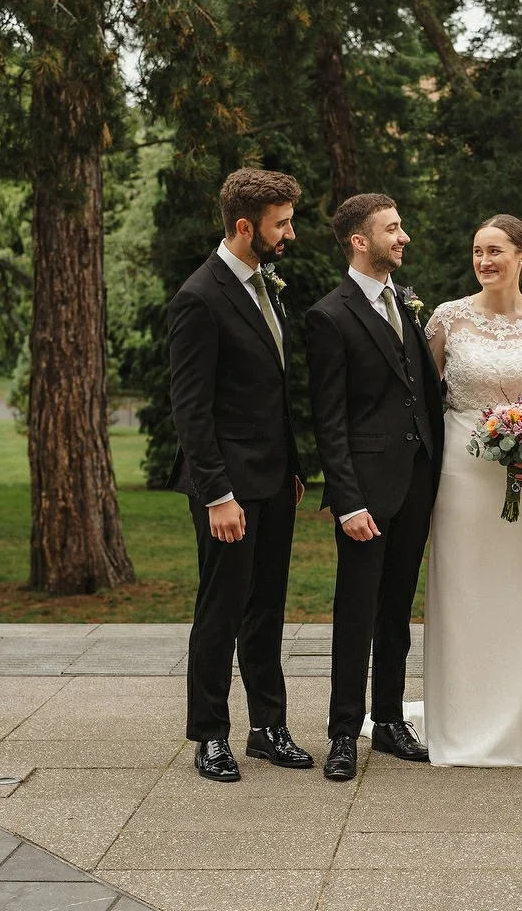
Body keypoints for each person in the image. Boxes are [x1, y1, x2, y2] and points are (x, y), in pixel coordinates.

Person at [168, 167, 312, 782]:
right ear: (246, 226)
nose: (291, 234)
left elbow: (271, 390)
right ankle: (209, 734)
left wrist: (294, 469)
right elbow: (191, 409)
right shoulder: (199, 297)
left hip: (275, 481)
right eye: (282, 224)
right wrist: (217, 495)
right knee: (221, 611)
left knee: (267, 609)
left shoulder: (265, 286)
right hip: (228, 489)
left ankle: (268, 727)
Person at [422, 215, 522, 766]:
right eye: (477, 252)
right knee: (466, 589)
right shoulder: (447, 319)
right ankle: (462, 721)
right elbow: (420, 399)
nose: (484, 261)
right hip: (462, 475)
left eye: (495, 251)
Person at [306, 193, 445, 782]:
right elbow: (328, 420)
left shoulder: (404, 304)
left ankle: (388, 720)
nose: (404, 236)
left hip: (416, 481)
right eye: (392, 229)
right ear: (360, 241)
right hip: (366, 489)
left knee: (396, 610)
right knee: (356, 611)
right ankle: (344, 732)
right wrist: (348, 500)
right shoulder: (329, 315)